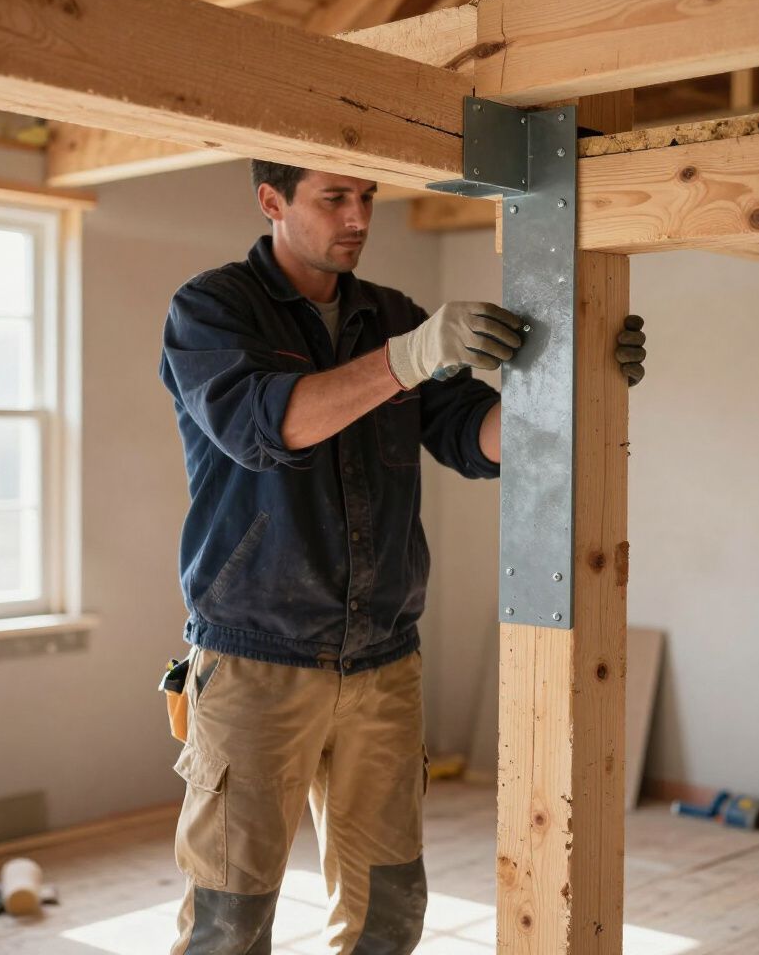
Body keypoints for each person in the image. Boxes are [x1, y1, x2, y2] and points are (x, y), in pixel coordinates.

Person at [159, 161, 646, 955]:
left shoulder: (391, 315)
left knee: (388, 917)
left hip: (384, 661)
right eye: (334, 198)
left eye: (368, 198)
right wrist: (407, 358)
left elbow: (477, 436)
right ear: (271, 202)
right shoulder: (213, 309)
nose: (358, 216)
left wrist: (581, 381)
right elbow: (267, 427)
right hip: (255, 660)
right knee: (228, 924)